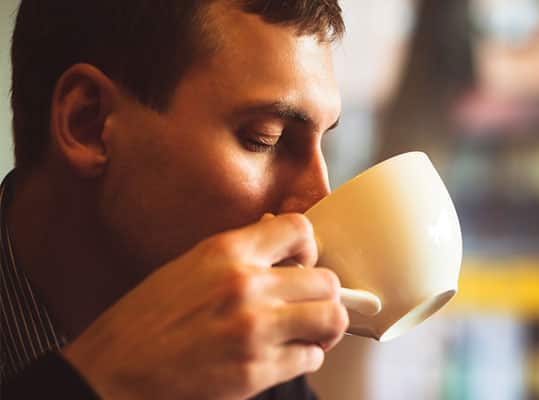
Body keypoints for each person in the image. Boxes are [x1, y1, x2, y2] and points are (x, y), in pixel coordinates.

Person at [1, 0, 349, 398]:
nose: (317, 203)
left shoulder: (250, 360)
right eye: (264, 138)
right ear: (88, 123)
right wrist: (101, 382)